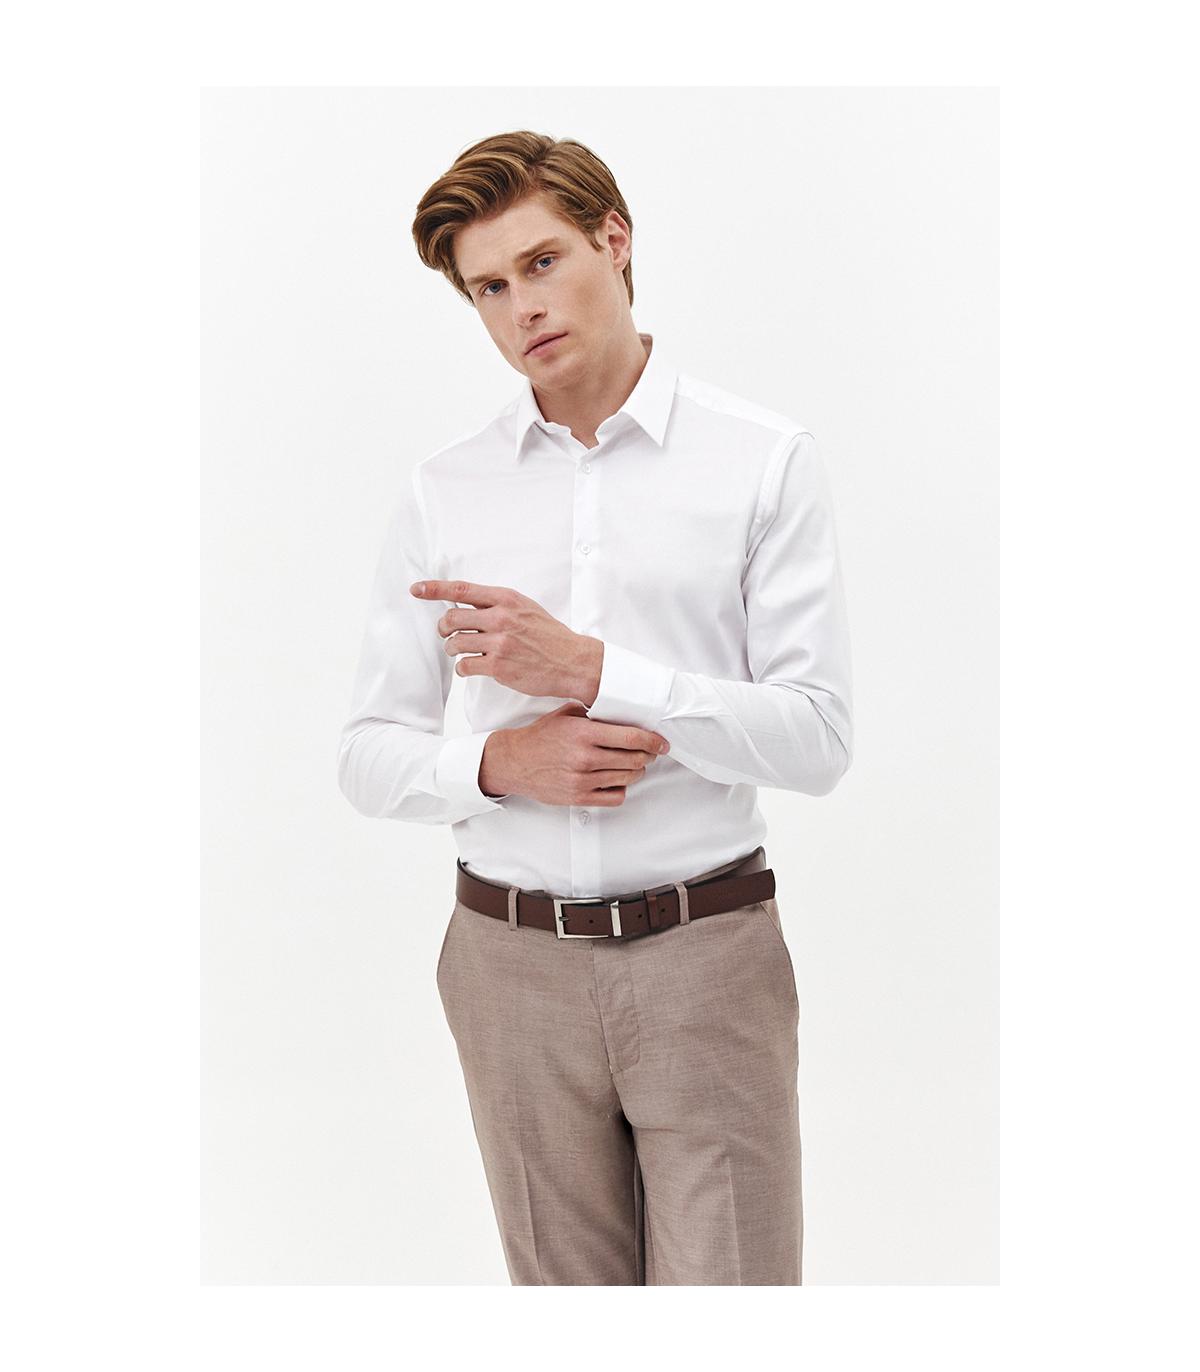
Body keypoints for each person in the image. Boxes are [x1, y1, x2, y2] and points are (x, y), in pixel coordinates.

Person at [336, 130, 854, 1285]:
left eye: (542, 262)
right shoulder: (446, 489)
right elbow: (367, 751)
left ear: (614, 241)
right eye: (488, 287)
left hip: (706, 958)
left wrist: (597, 671)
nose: (521, 306)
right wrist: (498, 764)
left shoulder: (762, 462)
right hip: (507, 968)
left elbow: (818, 738)